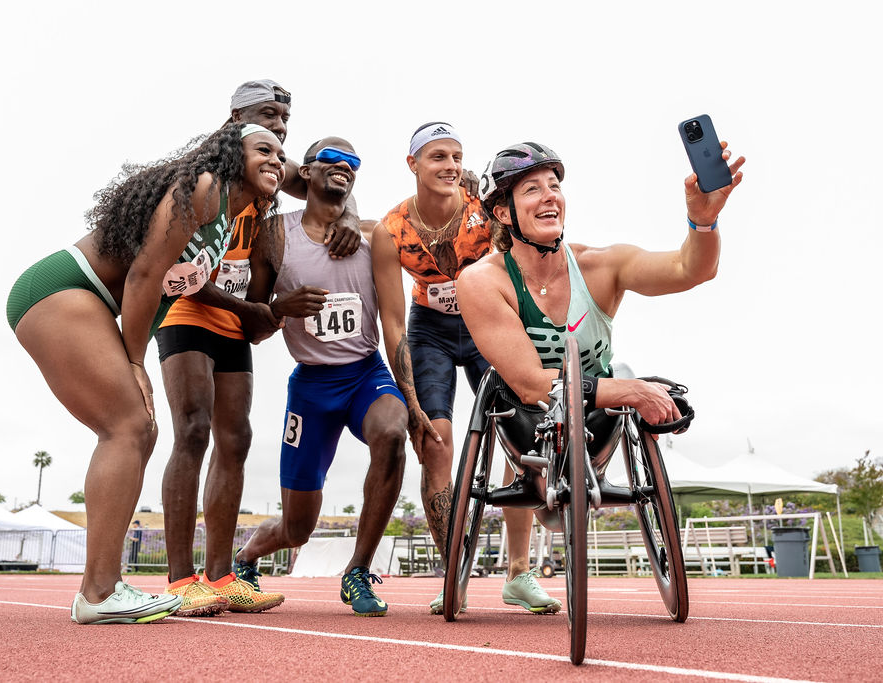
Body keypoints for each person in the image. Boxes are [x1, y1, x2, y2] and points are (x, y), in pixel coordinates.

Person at [7, 121, 285, 624]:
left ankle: (104, 586)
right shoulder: (206, 188)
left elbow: (166, 290)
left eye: (281, 156)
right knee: (128, 426)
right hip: (64, 289)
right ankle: (98, 593)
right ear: (231, 153)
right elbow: (144, 274)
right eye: (263, 149)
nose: (276, 161)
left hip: (89, 303)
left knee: (142, 429)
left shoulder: (232, 216)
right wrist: (135, 362)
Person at [457, 139, 745, 606]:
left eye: (554, 185)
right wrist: (633, 390)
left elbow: (690, 268)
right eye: (532, 189)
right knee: (618, 383)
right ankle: (510, 569)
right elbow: (531, 383)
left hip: (596, 420)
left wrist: (704, 219)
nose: (550, 195)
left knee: (634, 380)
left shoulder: (601, 266)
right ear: (504, 213)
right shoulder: (481, 281)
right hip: (526, 422)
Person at [156, 80, 361, 616]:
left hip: (229, 317)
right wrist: (265, 311)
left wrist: (347, 217)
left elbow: (333, 183)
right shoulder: (206, 172)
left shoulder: (273, 165)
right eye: (267, 115)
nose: (279, 128)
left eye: (285, 120)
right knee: (194, 427)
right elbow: (180, 272)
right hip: (185, 304)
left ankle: (222, 576)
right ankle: (180, 581)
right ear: (234, 118)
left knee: (237, 437)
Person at [372, 122, 554, 614]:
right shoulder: (390, 230)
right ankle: (454, 570)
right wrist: (408, 397)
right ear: (413, 164)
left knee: (523, 435)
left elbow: (522, 258)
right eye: (437, 157)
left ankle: (519, 573)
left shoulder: (483, 206)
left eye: (456, 156)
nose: (450, 165)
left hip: (488, 322)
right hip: (428, 329)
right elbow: (392, 324)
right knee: (435, 443)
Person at [239, 136, 407, 616]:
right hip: (311, 387)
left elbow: (398, 323)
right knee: (298, 530)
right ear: (306, 173)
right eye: (332, 159)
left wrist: (413, 402)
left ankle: (358, 569)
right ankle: (249, 554)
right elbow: (252, 329)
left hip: (364, 375)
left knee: (393, 433)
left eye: (352, 162)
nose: (344, 166)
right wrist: (278, 308)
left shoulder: (374, 237)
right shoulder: (274, 234)